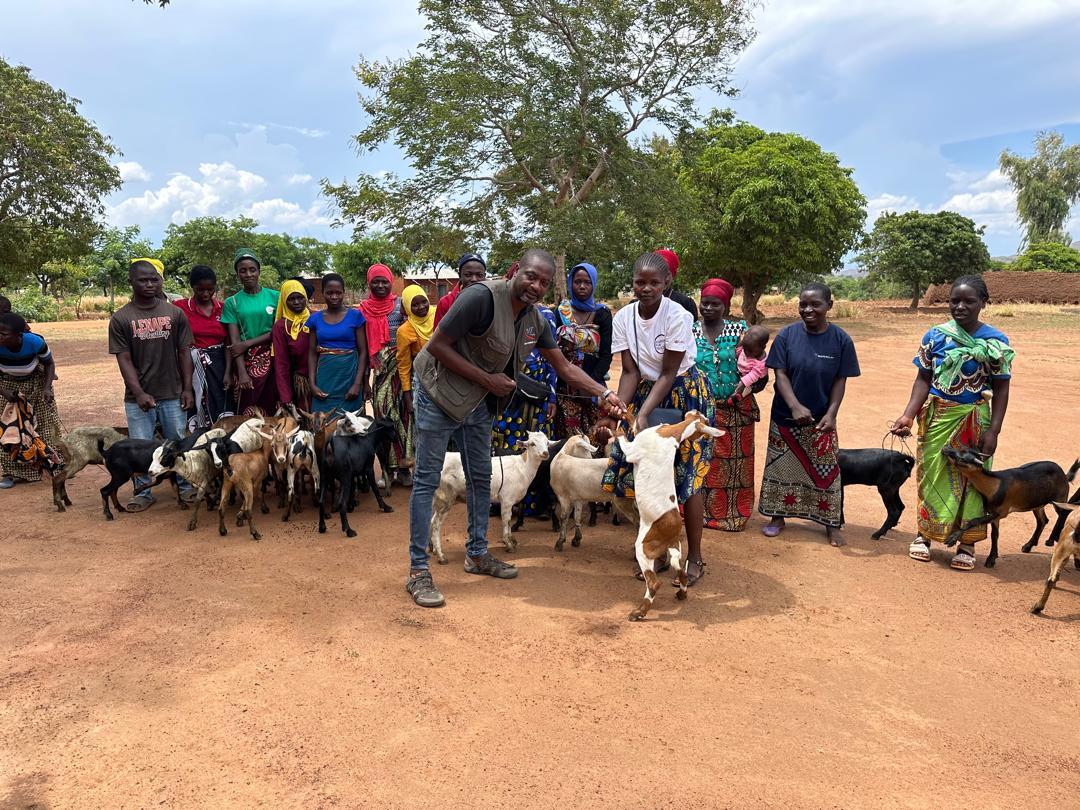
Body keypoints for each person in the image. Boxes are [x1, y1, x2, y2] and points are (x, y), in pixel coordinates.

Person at [406, 248, 626, 608]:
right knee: (428, 478)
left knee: (480, 476)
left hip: (477, 400)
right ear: (514, 272)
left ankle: (477, 553)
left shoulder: (536, 320)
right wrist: (488, 380)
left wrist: (604, 393)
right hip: (437, 394)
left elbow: (565, 368)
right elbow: (438, 346)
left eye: (543, 281)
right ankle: (418, 571)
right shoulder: (480, 298)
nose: (536, 286)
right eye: (530, 276)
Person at [598, 253, 714, 585]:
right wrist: (621, 407)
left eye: (654, 283)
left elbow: (668, 373)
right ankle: (660, 552)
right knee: (649, 480)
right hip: (648, 393)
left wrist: (644, 413)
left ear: (667, 284)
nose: (646, 288)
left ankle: (696, 558)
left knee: (688, 480)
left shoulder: (677, 315)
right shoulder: (623, 318)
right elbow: (631, 371)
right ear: (632, 282)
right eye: (640, 282)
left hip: (685, 395)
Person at [890, 275, 1013, 570]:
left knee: (973, 479)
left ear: (983, 302)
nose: (960, 306)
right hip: (936, 416)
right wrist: (908, 414)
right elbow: (923, 378)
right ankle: (924, 534)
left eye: (969, 301)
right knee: (931, 475)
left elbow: (1001, 387)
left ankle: (967, 543)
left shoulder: (996, 341)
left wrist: (994, 430)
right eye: (954, 300)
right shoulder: (934, 336)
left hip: (975, 419)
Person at [759, 282, 860, 547]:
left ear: (829, 305)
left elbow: (841, 380)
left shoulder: (841, 340)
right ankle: (777, 516)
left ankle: (830, 522)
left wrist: (832, 413)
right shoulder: (786, 336)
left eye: (815, 304)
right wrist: (793, 405)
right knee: (780, 468)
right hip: (785, 416)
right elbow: (779, 374)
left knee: (827, 471)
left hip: (821, 421)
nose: (808, 309)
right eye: (803, 304)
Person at [107, 260, 195, 511]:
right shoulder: (121, 318)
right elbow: (123, 359)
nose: (149, 284)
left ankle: (186, 486)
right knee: (140, 445)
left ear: (161, 282)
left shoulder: (174, 313)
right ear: (131, 282)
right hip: (139, 398)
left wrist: (187, 388)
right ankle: (143, 492)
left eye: (154, 279)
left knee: (178, 441)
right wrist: (139, 392)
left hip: (173, 392)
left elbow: (184, 352)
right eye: (143, 280)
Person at [693, 278, 764, 532]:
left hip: (736, 409)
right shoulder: (690, 330)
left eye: (715, 304)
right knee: (703, 461)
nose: (709, 308)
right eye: (705, 303)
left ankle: (732, 515)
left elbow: (758, 363)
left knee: (736, 465)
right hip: (701, 408)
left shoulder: (740, 330)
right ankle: (698, 514)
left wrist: (750, 385)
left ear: (725, 305)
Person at [0, 313, 62, 488]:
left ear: (19, 336)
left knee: (45, 426)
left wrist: (47, 388)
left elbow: (49, 364)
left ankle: (52, 467)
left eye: (3, 334)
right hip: (6, 384)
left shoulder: (35, 342)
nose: (0, 337)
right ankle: (11, 473)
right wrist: (4, 393)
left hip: (36, 383)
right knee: (8, 430)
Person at [552, 261, 612, 439]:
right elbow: (553, 353)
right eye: (577, 282)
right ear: (571, 283)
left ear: (594, 284)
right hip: (564, 390)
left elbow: (606, 355)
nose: (582, 286)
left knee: (596, 440)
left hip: (592, 389)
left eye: (587, 282)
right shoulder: (560, 312)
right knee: (568, 444)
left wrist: (590, 385)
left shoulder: (602, 314)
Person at [363, 264, 410, 481]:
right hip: (380, 373)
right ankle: (387, 470)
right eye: (376, 281)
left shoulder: (401, 305)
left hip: (402, 370)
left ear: (391, 282)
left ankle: (404, 468)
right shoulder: (363, 309)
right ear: (369, 283)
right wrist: (365, 380)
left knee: (405, 417)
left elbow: (410, 335)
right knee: (383, 417)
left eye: (384, 281)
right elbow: (362, 347)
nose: (380, 285)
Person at [221, 249, 279, 417]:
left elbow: (277, 332)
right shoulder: (232, 302)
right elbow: (235, 342)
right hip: (246, 362)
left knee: (273, 406)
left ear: (259, 271)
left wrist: (247, 343)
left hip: (274, 358)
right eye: (243, 270)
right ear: (237, 274)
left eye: (252, 269)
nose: (248, 274)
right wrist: (242, 373)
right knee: (247, 410)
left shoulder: (275, 297)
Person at [174, 265, 233, 429]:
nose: (206, 294)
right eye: (200, 290)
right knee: (195, 401)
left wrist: (228, 371)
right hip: (191, 366)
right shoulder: (180, 308)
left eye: (210, 289)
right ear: (192, 287)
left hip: (220, 365)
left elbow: (228, 341)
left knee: (221, 402)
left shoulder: (223, 308)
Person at [307, 274, 367, 414]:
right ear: (323, 293)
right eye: (329, 293)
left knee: (350, 425)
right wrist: (312, 384)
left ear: (343, 293)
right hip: (325, 378)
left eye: (338, 293)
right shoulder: (315, 318)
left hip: (349, 378)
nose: (334, 296)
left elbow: (363, 351)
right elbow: (312, 353)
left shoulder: (355, 316)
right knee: (323, 426)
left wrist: (357, 384)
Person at [397, 286, 436, 475]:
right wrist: (407, 395)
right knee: (425, 428)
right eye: (415, 304)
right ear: (406, 306)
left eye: (423, 301)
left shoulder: (439, 315)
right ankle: (426, 471)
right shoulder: (405, 331)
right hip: (423, 383)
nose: (421, 307)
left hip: (448, 380)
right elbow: (403, 364)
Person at [271, 278, 313, 411]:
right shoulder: (280, 327)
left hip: (322, 379)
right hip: (300, 385)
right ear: (284, 301)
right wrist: (286, 396)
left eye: (300, 298)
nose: (296, 302)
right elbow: (281, 363)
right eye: (291, 299)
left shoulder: (316, 318)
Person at [434, 252, 488, 327]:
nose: (474, 279)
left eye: (479, 275)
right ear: (460, 275)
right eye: (468, 275)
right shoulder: (445, 303)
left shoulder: (491, 300)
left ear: (484, 276)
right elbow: (438, 336)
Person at [654, 248, 699, 321]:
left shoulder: (686, 304)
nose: (663, 278)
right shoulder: (636, 305)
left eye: (667, 273)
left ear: (673, 276)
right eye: (658, 272)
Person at [733, 325, 770, 400]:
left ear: (763, 348)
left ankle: (737, 397)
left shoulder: (761, 361)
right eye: (744, 348)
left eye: (750, 351)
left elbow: (754, 375)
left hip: (757, 381)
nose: (746, 352)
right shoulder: (749, 347)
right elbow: (739, 349)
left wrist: (743, 384)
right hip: (744, 373)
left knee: (744, 389)